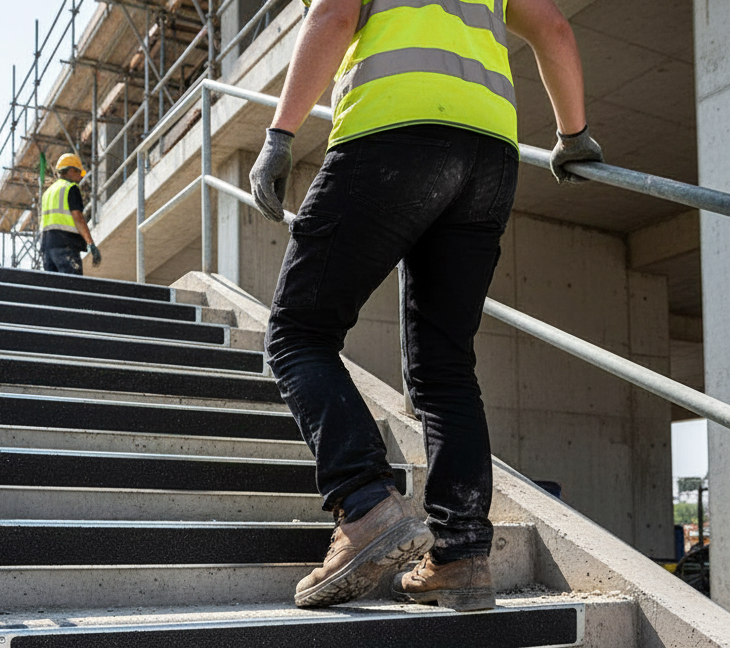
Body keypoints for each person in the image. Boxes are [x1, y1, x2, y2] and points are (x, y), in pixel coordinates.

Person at [250, 0, 602, 612]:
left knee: (298, 334)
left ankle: (364, 504)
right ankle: (461, 554)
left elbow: (333, 14)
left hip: (390, 135)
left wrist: (279, 136)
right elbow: (554, 27)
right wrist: (573, 136)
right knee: (445, 363)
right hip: (489, 156)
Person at [41, 153, 102, 274]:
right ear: (70, 170)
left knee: (54, 290)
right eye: (79, 172)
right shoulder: (70, 188)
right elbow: (77, 217)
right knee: (73, 287)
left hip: (47, 248)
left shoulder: (48, 192)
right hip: (65, 246)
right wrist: (91, 244)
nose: (80, 177)